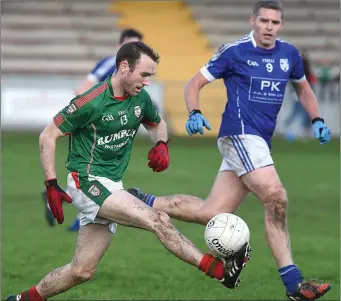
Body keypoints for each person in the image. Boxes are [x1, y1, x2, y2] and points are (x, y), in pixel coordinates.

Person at [5, 42, 251, 301]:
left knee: (82, 271)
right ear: (124, 67)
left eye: (151, 76)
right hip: (86, 182)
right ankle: (221, 271)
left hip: (112, 186)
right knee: (159, 220)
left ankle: (22, 299)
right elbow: (48, 135)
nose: (147, 82)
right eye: (144, 74)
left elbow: (157, 123)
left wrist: (161, 144)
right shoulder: (91, 102)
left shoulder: (140, 98)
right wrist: (51, 185)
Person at [127, 1, 332, 300]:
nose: (269, 27)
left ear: (281, 25)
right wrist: (194, 111)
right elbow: (194, 83)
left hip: (259, 141)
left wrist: (317, 119)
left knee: (209, 212)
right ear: (253, 21)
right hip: (238, 134)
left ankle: (140, 200)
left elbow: (302, 88)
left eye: (275, 23)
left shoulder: (290, 55)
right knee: (276, 196)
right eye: (264, 21)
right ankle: (294, 285)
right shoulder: (234, 52)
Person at [42, 28, 144, 231]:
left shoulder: (137, 73)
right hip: (95, 128)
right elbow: (82, 90)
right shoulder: (109, 64)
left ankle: (79, 215)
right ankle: (81, 215)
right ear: (118, 48)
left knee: (101, 174)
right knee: (91, 172)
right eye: (130, 46)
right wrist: (96, 114)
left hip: (110, 130)